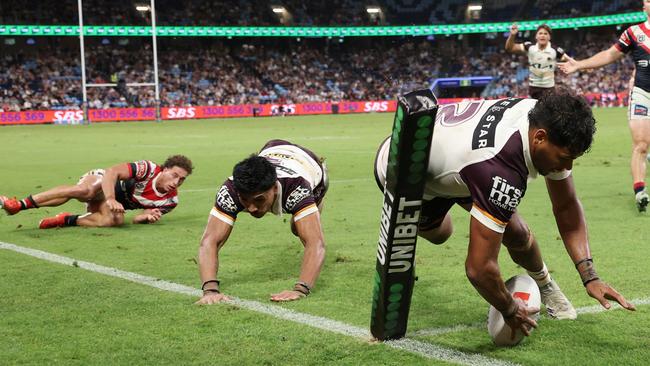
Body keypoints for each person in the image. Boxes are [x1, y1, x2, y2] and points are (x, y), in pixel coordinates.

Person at [374, 89, 635, 339]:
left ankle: (547, 287)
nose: (566, 167)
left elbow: (566, 206)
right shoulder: (500, 170)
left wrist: (590, 276)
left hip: (463, 163)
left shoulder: (539, 114)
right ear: (540, 138)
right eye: (565, 157)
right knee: (442, 233)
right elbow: (479, 269)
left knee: (518, 234)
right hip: (408, 175)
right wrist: (510, 309)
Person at [196, 139, 328, 304]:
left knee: (299, 230)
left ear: (274, 188)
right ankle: (303, 212)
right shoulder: (230, 189)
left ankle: (312, 207)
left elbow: (316, 243)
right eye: (245, 200)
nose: (251, 208)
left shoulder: (297, 187)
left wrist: (300, 289)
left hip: (311, 166)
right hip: (274, 147)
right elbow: (210, 240)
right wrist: (210, 290)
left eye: (259, 200)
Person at [558, 2, 650, 212]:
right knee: (642, 145)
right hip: (643, 94)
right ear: (643, 6)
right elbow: (609, 55)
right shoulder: (633, 33)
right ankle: (640, 192)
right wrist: (579, 64)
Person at [0, 155, 193, 229]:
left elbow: (136, 219)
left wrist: (145, 218)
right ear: (165, 169)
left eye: (182, 179)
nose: (176, 182)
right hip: (101, 183)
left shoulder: (170, 201)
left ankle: (66, 219)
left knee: (115, 221)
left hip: (109, 204)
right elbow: (112, 172)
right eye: (174, 175)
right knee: (86, 190)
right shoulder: (148, 169)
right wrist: (110, 197)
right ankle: (19, 205)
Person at [505, 23, 570, 99]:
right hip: (533, 89)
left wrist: (584, 67)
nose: (543, 35)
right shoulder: (529, 47)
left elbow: (571, 61)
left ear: (549, 37)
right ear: (536, 36)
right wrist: (512, 35)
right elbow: (509, 48)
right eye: (540, 33)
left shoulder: (555, 50)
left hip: (549, 89)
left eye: (545, 34)